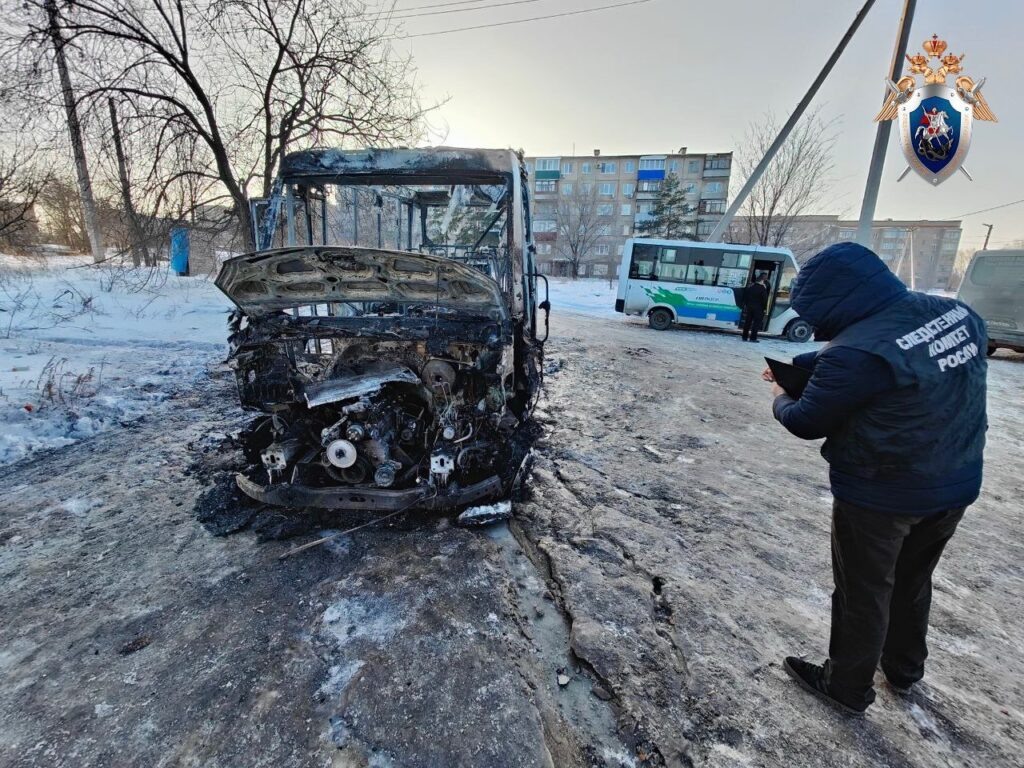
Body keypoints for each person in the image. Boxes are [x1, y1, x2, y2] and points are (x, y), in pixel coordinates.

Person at [764, 241, 987, 716]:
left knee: (864, 591)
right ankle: (904, 669)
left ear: (834, 301)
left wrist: (781, 394)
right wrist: (807, 366)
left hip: (881, 494)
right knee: (912, 580)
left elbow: (807, 420)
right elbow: (885, 357)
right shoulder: (957, 315)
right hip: (955, 483)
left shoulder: (855, 353)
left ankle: (846, 686)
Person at [741, 272, 770, 342]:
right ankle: (753, 338)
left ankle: (744, 337)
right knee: (756, 324)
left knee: (747, 322)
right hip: (759, 309)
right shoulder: (762, 289)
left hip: (749, 307)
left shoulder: (751, 287)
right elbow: (765, 300)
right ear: (762, 281)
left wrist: (747, 305)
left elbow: (746, 297)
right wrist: (765, 309)